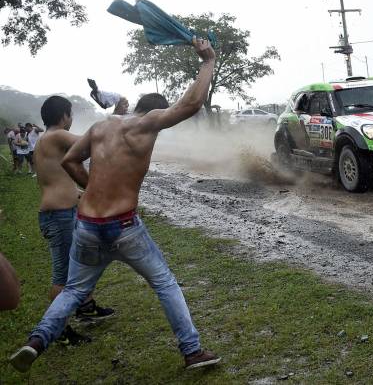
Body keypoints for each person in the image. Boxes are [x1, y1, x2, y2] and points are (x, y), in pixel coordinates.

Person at [11, 39, 221, 373]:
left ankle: (36, 340)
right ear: (155, 113)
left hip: (86, 224)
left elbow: (70, 160)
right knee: (165, 283)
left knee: (74, 290)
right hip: (123, 227)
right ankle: (193, 351)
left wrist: (91, 187)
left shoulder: (101, 126)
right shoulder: (147, 123)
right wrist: (207, 61)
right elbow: (190, 104)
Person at [35, 96, 115, 346]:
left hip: (63, 212)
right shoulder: (56, 136)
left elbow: (57, 178)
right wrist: (117, 118)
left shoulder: (45, 139)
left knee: (85, 261)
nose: (71, 120)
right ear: (63, 117)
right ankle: (58, 329)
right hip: (58, 217)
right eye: (70, 115)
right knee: (63, 276)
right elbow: (92, 142)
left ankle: (86, 306)